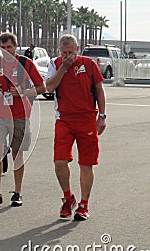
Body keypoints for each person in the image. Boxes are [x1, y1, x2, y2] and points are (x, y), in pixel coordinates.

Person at [45, 34, 106, 221]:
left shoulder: (88, 64)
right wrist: (63, 66)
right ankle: (67, 198)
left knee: (86, 163)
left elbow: (99, 90)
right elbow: (49, 88)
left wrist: (101, 116)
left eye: (71, 52)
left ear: (77, 49)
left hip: (87, 119)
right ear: (59, 51)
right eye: (64, 53)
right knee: (59, 162)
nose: (67, 55)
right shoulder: (55, 64)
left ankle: (83, 204)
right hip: (64, 119)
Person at [0, 32, 46, 208]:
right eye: (2, 48)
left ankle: (17, 192)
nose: (5, 51)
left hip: (20, 115)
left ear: (15, 47)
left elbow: (42, 87)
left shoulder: (26, 63)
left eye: (9, 47)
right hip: (0, 115)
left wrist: (23, 92)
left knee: (17, 154)